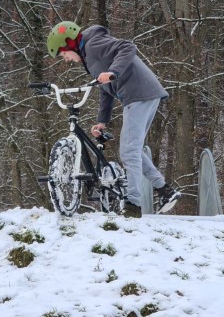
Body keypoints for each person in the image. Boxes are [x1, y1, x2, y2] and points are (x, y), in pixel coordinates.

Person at [46, 21, 181, 218]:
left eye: (63, 53)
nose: (65, 59)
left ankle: (133, 203)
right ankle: (164, 190)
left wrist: (113, 72)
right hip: (142, 93)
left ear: (68, 43)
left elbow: (128, 47)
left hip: (138, 93)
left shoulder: (93, 45)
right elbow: (105, 88)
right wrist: (103, 120)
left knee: (129, 151)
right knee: (131, 148)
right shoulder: (89, 57)